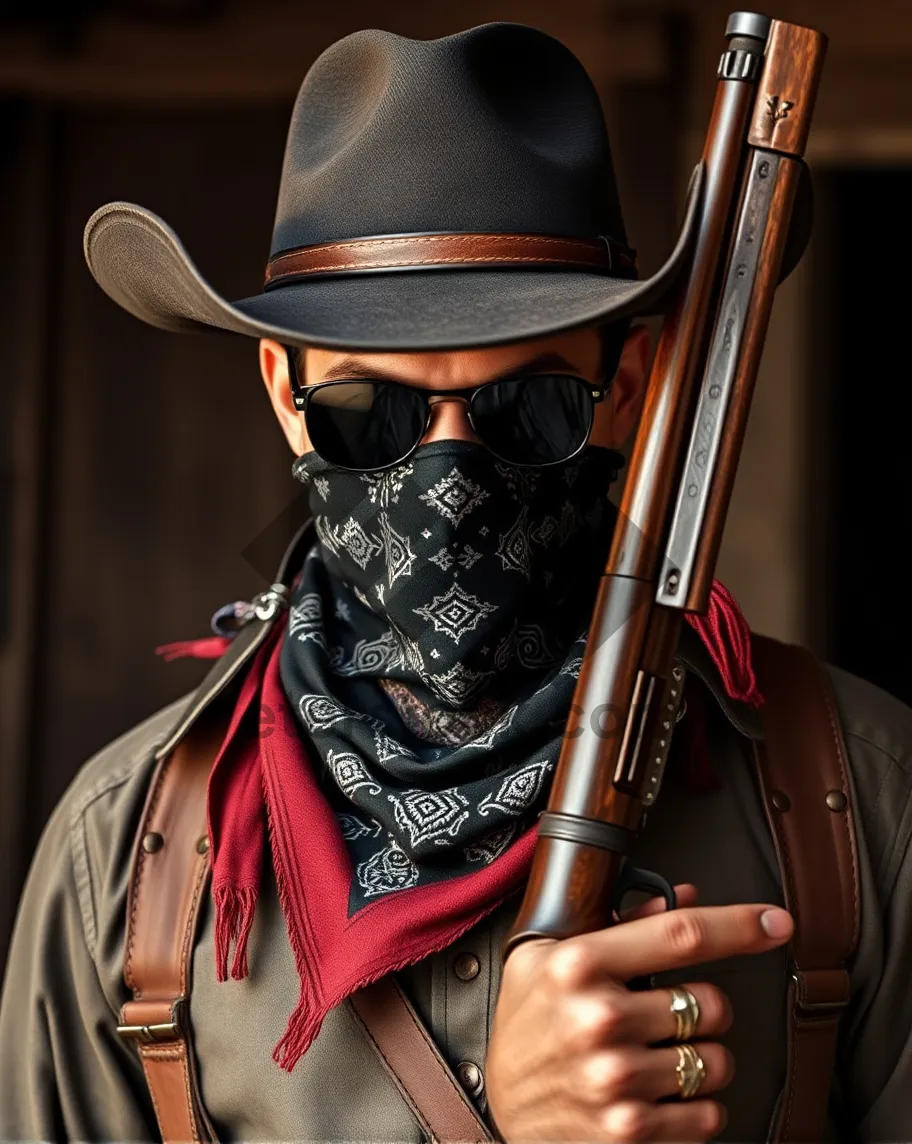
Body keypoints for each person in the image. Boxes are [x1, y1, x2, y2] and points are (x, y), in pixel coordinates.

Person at [2, 22, 912, 1144]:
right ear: (285, 393)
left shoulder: (857, 797)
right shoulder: (121, 851)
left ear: (627, 386)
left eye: (526, 407)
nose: (447, 480)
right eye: (367, 414)